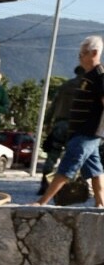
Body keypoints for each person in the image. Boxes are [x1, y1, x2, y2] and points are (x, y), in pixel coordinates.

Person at [36, 36, 104, 207]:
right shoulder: (87, 77)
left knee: (67, 166)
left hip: (87, 132)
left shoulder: (100, 76)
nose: (79, 57)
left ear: (94, 53)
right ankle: (101, 203)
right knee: (95, 170)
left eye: (82, 54)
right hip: (81, 132)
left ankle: (42, 202)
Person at [39, 60, 85, 191]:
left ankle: (44, 184)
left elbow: (53, 106)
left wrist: (47, 122)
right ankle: (68, 186)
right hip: (77, 126)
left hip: (60, 125)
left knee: (52, 155)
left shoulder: (65, 86)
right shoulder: (86, 87)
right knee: (74, 157)